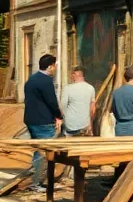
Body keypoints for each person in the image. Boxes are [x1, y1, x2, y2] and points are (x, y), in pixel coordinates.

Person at [23, 54, 62, 191]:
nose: (55, 68)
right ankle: (36, 183)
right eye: (55, 66)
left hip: (31, 120)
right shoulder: (46, 81)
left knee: (37, 151)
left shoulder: (31, 80)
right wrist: (59, 116)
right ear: (50, 66)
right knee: (44, 154)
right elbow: (51, 102)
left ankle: (35, 178)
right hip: (43, 121)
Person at [61, 66, 96, 137]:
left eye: (72, 74)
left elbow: (62, 106)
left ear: (75, 75)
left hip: (70, 125)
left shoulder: (67, 88)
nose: (71, 76)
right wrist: (91, 125)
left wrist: (63, 119)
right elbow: (92, 109)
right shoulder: (91, 88)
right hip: (85, 125)